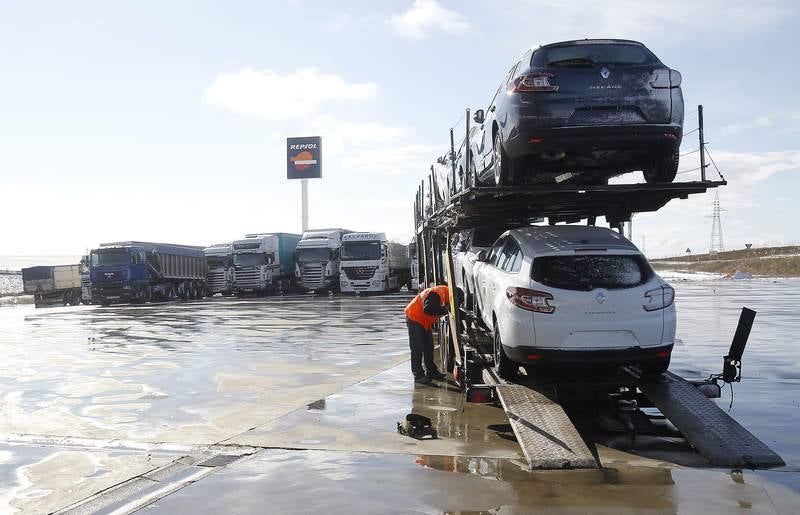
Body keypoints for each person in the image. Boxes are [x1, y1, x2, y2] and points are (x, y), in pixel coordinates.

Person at [404, 284, 450, 384]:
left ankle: (431, 371)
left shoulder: (441, 293)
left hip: (423, 321)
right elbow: (428, 309)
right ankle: (418, 375)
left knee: (428, 347)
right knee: (417, 348)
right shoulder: (437, 294)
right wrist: (445, 310)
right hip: (414, 317)